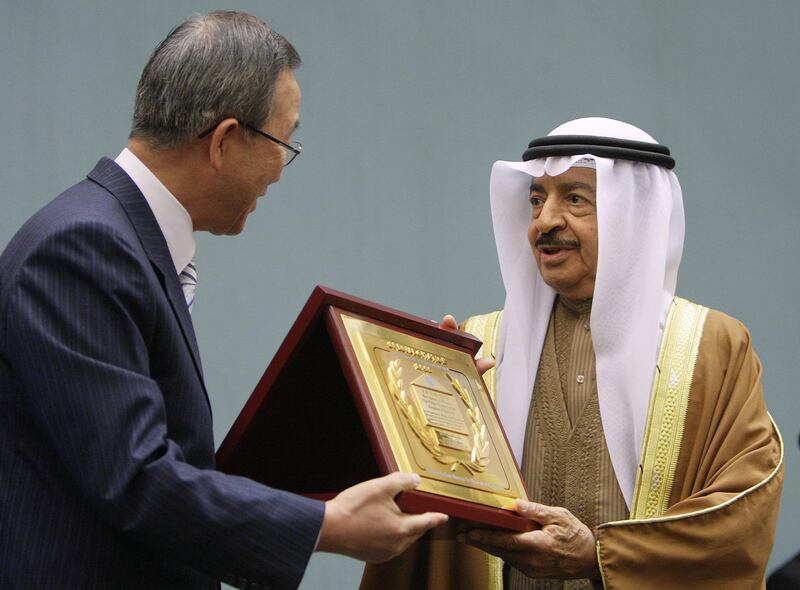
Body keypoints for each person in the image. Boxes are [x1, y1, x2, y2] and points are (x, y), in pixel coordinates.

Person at [0, 11, 448, 590]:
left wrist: (421, 397)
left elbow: (176, 463)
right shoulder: (84, 249)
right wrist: (324, 528)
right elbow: (136, 479)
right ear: (224, 140)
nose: (281, 172)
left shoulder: (117, 239)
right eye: (284, 142)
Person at [361, 117, 784, 589]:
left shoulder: (712, 345)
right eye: (537, 200)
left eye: (575, 199)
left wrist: (601, 558)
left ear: (634, 218)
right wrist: (419, 399)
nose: (544, 221)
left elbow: (740, 512)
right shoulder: (476, 345)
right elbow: (421, 501)